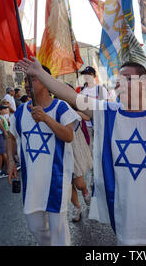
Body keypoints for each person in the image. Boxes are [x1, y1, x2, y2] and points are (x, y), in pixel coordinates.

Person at [16, 57, 146, 246]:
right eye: (119, 79)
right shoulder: (108, 112)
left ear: (143, 83)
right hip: (125, 214)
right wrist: (40, 73)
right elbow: (71, 96)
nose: (119, 82)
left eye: (127, 78)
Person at [6, 66, 81, 246]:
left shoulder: (60, 107)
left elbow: (68, 136)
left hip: (56, 180)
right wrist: (10, 162)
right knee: (36, 227)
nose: (26, 84)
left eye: (32, 79)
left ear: (47, 82)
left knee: (58, 232)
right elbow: (10, 136)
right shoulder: (21, 111)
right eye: (25, 80)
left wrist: (46, 118)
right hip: (32, 181)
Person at [66, 84, 93, 222]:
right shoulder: (54, 106)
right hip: (61, 147)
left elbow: (88, 118)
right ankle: (76, 207)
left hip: (74, 146)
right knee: (68, 182)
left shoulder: (76, 106)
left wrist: (73, 112)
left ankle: (85, 191)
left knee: (79, 183)